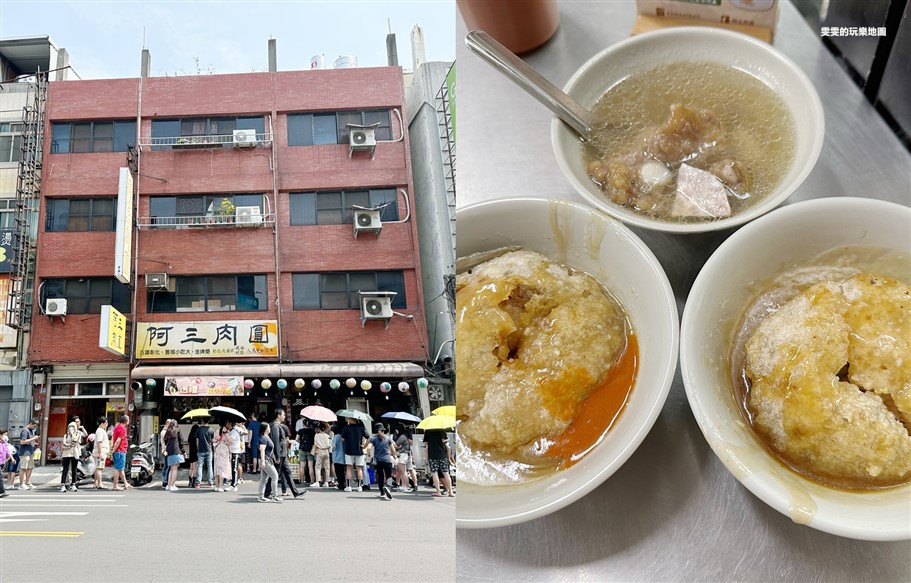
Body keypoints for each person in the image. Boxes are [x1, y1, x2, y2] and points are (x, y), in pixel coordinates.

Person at [266, 409, 304, 500]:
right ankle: (266, 493)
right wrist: (277, 455)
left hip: (283, 454)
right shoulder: (275, 426)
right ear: (278, 415)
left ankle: (295, 492)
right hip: (280, 454)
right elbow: (276, 441)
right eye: (283, 415)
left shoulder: (278, 426)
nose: (284, 416)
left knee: (288, 472)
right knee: (274, 474)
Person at [369, 424, 397, 501]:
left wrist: (369, 454)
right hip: (387, 460)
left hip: (378, 461)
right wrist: (394, 456)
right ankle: (388, 487)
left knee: (380, 476)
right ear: (383, 430)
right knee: (389, 475)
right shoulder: (388, 438)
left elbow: (368, 447)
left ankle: (382, 493)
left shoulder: (374, 438)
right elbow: (393, 450)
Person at [341, 416, 368, 492]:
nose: (348, 420)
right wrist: (364, 445)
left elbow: (342, 438)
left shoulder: (346, 428)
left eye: (349, 418)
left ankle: (348, 486)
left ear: (352, 419)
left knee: (349, 468)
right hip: (359, 451)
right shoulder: (361, 428)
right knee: (359, 468)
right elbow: (368, 437)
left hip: (349, 450)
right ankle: (359, 486)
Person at [60, 415, 87, 492]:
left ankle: (73, 484)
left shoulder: (78, 433)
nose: (78, 423)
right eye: (76, 422)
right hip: (66, 453)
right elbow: (64, 444)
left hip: (75, 453)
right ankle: (63, 485)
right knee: (65, 469)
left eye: (79, 421)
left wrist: (82, 428)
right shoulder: (66, 435)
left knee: (74, 469)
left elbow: (85, 435)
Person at [424, 430, 455, 497]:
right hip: (442, 455)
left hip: (432, 455)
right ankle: (451, 492)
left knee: (434, 473)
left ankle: (438, 492)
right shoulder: (441, 430)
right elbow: (446, 439)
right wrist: (442, 441)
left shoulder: (427, 431)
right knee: (446, 473)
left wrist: (426, 458)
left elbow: (426, 443)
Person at [257, 422, 280, 503]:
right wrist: (263, 461)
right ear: (265, 429)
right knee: (275, 476)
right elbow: (262, 450)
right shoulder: (263, 438)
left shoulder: (266, 437)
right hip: (266, 460)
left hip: (267, 459)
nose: (270, 428)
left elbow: (270, 450)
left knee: (263, 479)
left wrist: (274, 458)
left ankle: (261, 496)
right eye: (268, 427)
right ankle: (275, 495)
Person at [17, 418, 39, 490]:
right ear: (30, 423)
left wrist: (34, 443)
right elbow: (22, 442)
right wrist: (33, 439)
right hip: (25, 452)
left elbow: (28, 440)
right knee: (23, 468)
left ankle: (28, 482)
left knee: (30, 467)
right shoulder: (25, 431)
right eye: (34, 426)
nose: (35, 428)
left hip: (30, 452)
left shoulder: (30, 431)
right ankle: (21, 484)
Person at [164, 419, 185, 491]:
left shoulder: (168, 431)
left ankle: (169, 485)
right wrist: (183, 451)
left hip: (169, 452)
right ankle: (172, 485)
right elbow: (181, 441)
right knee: (175, 468)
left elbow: (165, 441)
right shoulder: (177, 430)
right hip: (176, 450)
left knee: (171, 468)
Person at [110, 414, 131, 491]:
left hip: (118, 450)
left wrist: (113, 449)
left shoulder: (117, 427)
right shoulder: (122, 429)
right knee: (118, 468)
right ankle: (115, 485)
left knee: (120, 468)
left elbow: (114, 438)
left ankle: (125, 484)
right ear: (126, 421)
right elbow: (118, 441)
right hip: (120, 450)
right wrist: (114, 449)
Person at [392, 424, 414, 492]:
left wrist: (392, 443)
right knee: (402, 471)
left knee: (403, 471)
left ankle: (407, 487)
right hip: (404, 454)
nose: (396, 431)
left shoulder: (402, 437)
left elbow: (395, 446)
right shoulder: (405, 436)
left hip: (403, 455)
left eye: (397, 430)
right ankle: (404, 486)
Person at [213, 422, 233, 492]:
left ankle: (216, 485)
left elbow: (214, 441)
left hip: (217, 449)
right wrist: (226, 433)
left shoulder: (216, 431)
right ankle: (220, 486)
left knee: (217, 467)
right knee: (222, 468)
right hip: (224, 450)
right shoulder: (227, 432)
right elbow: (231, 441)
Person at [296, 416, 316, 486]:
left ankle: (302, 481)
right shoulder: (313, 431)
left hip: (302, 449)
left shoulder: (300, 431)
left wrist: (301, 442)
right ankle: (312, 481)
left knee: (302, 466)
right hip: (310, 449)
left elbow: (296, 439)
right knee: (310, 466)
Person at [311, 423, 332, 488]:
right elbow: (330, 445)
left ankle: (317, 481)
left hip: (319, 451)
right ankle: (326, 482)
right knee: (327, 467)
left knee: (318, 466)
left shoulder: (317, 435)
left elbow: (315, 444)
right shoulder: (327, 435)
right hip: (326, 451)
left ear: (319, 428)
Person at [92, 417, 110, 490]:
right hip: (100, 451)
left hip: (100, 451)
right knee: (99, 468)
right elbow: (99, 442)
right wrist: (100, 453)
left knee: (98, 468)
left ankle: (96, 482)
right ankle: (100, 483)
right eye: (106, 422)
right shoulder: (100, 431)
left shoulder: (101, 430)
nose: (107, 424)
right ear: (102, 423)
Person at [196, 419, 214, 488]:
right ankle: (210, 482)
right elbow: (212, 441)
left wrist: (198, 449)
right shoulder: (211, 430)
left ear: (202, 422)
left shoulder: (199, 429)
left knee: (199, 466)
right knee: (209, 466)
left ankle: (198, 483)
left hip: (201, 450)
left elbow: (197, 440)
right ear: (208, 421)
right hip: (209, 450)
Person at [229, 420, 244, 491]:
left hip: (235, 451)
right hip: (235, 451)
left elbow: (230, 440)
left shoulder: (234, 431)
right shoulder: (235, 431)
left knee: (234, 468)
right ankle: (233, 483)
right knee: (234, 467)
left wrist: (226, 435)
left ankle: (234, 485)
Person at [331, 423, 346, 490]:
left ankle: (341, 485)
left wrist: (330, 442)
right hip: (342, 456)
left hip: (337, 457)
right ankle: (344, 483)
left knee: (338, 472)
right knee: (342, 472)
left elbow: (333, 447)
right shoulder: (342, 436)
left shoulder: (336, 437)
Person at [187, 420, 199, 488]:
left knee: (191, 467)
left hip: (191, 451)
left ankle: (189, 481)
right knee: (194, 468)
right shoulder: (196, 436)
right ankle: (193, 482)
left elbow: (188, 442)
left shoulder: (190, 435)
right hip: (195, 451)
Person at [0, 428, 11, 498]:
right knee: (0, 477)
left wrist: (11, 458)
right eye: (5, 434)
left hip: (2, 463)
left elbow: (7, 452)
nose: (5, 436)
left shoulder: (3, 442)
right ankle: (2, 491)